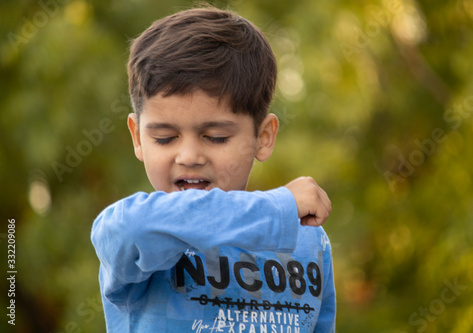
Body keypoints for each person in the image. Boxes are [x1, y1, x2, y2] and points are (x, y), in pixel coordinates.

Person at [91, 6, 336, 333]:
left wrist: (280, 213)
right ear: (137, 137)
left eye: (216, 137)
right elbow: (133, 229)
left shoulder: (308, 240)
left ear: (262, 137)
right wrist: (276, 208)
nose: (189, 155)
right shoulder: (133, 231)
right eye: (165, 138)